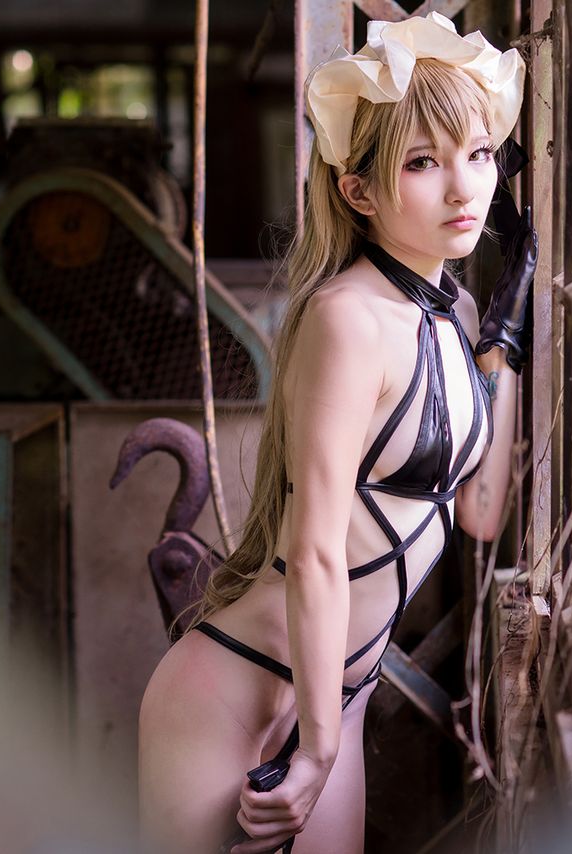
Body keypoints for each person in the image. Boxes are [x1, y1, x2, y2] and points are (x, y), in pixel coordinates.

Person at [138, 12, 536, 854]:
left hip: (337, 703)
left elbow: (480, 513)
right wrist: (315, 749)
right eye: (422, 163)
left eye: (478, 154)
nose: (463, 189)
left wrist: (504, 343)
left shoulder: (457, 314)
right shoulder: (346, 318)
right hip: (234, 691)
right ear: (360, 192)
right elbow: (316, 550)